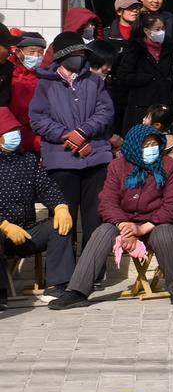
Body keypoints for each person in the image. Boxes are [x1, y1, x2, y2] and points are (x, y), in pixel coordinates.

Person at [49, 124, 173, 309]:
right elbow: (107, 202)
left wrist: (141, 228)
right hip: (124, 222)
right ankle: (77, 292)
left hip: (157, 223)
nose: (151, 149)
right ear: (134, 146)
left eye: (154, 145)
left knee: (164, 235)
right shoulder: (117, 167)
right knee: (102, 232)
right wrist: (124, 225)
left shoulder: (170, 167)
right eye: (146, 145)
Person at [28, 31, 115, 294]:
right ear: (63, 56)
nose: (80, 57)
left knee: (94, 218)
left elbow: (106, 112)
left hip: (95, 158)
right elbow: (37, 119)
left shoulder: (94, 81)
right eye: (75, 53)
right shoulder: (45, 84)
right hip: (61, 161)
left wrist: (84, 131)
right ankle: (62, 277)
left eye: (82, 53)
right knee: (63, 219)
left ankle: (92, 272)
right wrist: (66, 135)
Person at [0, 105, 76, 303]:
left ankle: (56, 286)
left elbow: (47, 187)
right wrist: (4, 225)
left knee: (59, 227)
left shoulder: (28, 161)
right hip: (3, 232)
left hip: (27, 231)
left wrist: (60, 206)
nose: (14, 136)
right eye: (8, 132)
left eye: (16, 131)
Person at [109, 11, 173, 135]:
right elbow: (123, 77)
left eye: (163, 28)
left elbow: (171, 73)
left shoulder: (168, 46)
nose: (161, 32)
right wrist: (149, 78)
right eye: (157, 29)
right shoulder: (135, 48)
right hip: (140, 106)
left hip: (163, 105)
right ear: (146, 31)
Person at [8, 32, 46, 155]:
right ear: (18, 52)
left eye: (40, 52)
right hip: (11, 138)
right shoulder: (8, 76)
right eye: (32, 51)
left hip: (36, 137)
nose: (36, 56)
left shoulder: (42, 78)